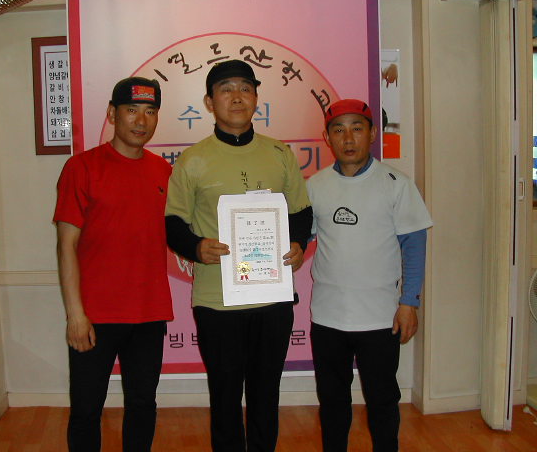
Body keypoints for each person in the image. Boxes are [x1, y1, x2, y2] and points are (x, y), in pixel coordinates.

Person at [165, 59, 313, 452]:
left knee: (266, 394)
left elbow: (301, 211)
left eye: (246, 88)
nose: (237, 97)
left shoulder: (280, 153)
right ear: (209, 102)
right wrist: (196, 247)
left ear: (256, 99)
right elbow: (173, 223)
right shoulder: (193, 159)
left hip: (272, 296)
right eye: (226, 89)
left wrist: (299, 243)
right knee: (225, 395)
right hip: (218, 300)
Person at [53, 77, 173, 452]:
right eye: (132, 110)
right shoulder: (82, 167)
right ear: (112, 114)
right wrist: (75, 314)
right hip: (95, 316)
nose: (141, 120)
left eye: (150, 111)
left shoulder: (164, 171)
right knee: (86, 409)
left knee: (143, 404)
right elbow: (66, 244)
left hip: (149, 312)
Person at [307, 99, 433, 452]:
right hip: (328, 316)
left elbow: (414, 245)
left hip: (380, 317)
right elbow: (301, 238)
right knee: (332, 400)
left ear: (373, 133)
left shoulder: (396, 184)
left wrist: (409, 302)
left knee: (382, 400)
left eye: (357, 128)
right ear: (327, 138)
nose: (348, 138)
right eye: (338, 130)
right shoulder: (314, 185)